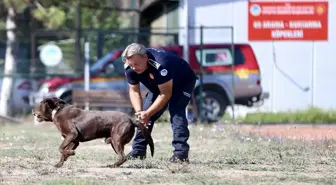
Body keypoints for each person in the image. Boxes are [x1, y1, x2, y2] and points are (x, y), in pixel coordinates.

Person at [122, 43, 198, 163]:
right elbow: (134, 91)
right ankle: (138, 151)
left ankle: (180, 154)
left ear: (145, 58)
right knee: (143, 116)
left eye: (136, 64)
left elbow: (166, 94)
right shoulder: (130, 68)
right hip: (160, 85)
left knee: (176, 111)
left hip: (182, 82)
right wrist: (140, 112)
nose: (134, 68)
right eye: (131, 65)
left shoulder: (161, 65)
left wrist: (148, 113)